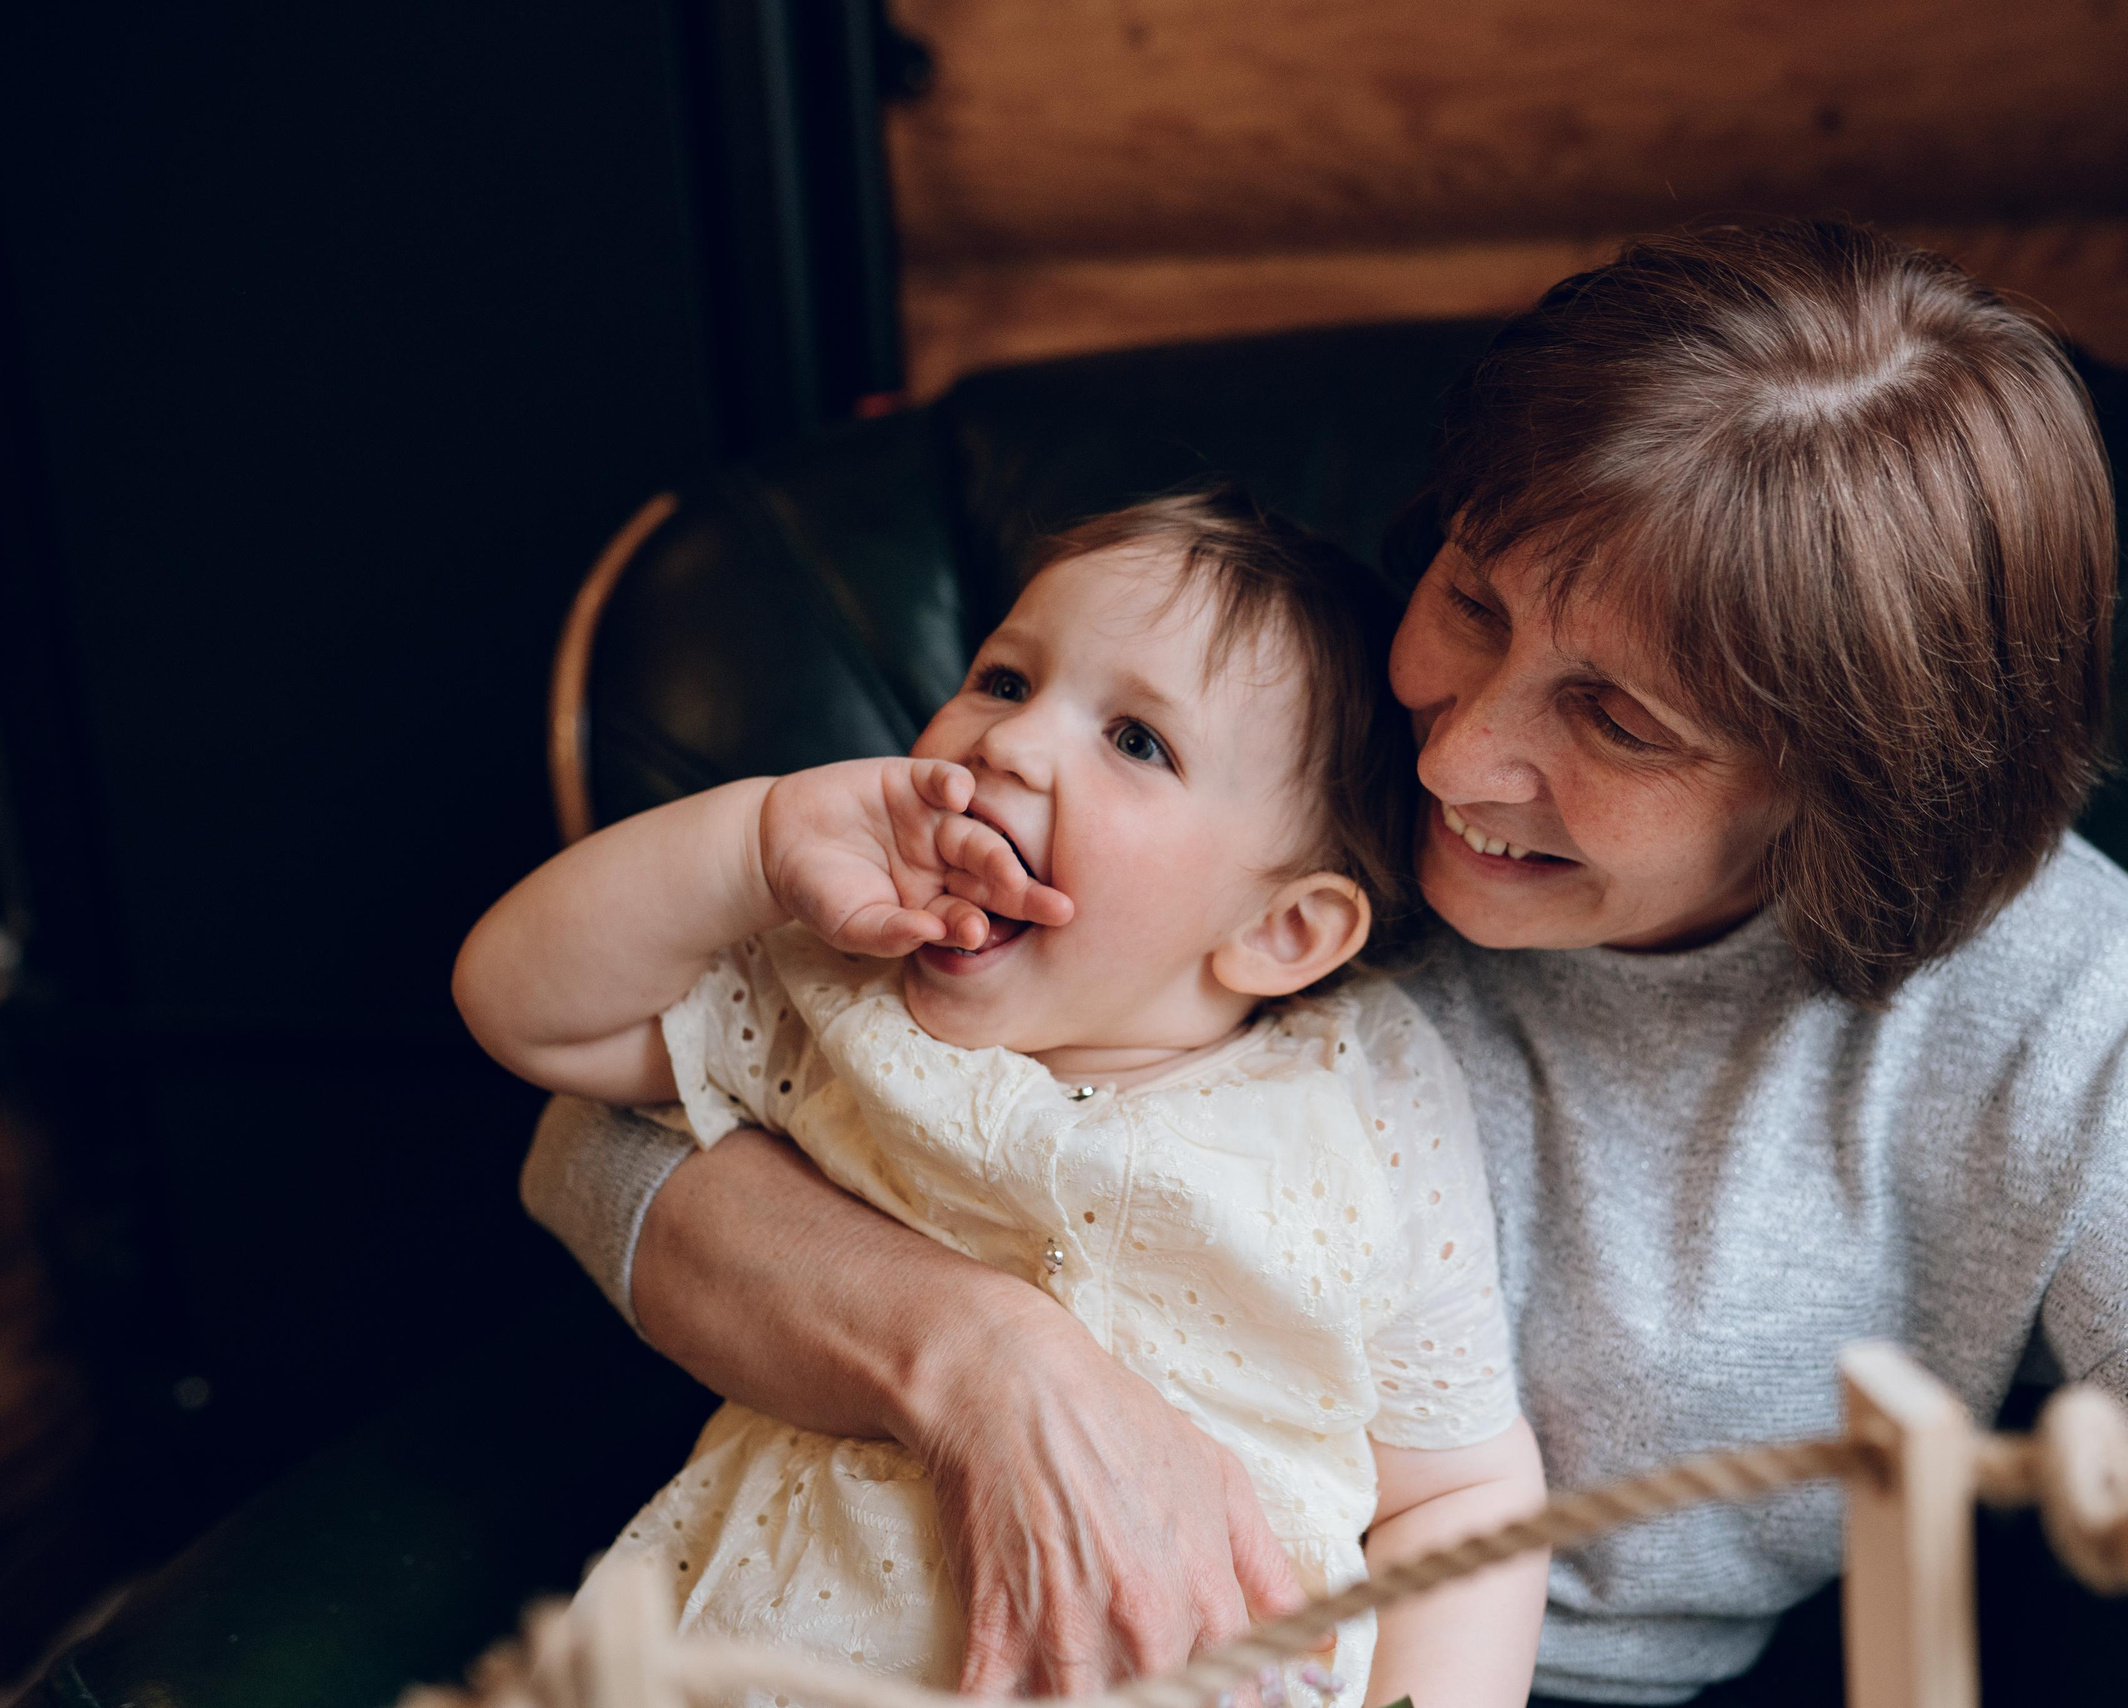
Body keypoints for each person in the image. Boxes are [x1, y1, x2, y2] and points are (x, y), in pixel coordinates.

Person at [523, 222, 2128, 1704]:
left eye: (1618, 721)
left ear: (1838, 793)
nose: (1456, 743)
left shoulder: (2045, 1026)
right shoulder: (1256, 781)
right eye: (1471, 596)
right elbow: (598, 1141)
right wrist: (988, 1361)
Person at [456, 493, 1550, 1708]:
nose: (1008, 748)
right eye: (1003, 679)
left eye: (1137, 740)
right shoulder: (841, 991)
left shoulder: (1369, 1099)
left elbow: (1460, 1490)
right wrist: (752, 846)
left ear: (1283, 928)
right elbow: (522, 1010)